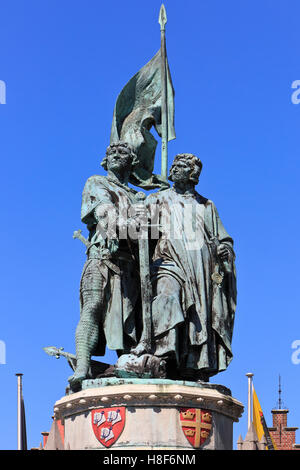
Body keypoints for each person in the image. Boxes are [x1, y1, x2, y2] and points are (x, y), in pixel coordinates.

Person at [146, 153, 237, 381]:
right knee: (167, 296)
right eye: (174, 165)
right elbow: (136, 231)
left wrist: (225, 251)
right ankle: (164, 356)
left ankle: (193, 364)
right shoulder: (158, 199)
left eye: (181, 166)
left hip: (200, 267)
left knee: (199, 315)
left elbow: (223, 238)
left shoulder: (206, 205)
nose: (175, 168)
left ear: (192, 174)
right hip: (167, 261)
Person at [69, 142, 142, 388]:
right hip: (101, 256)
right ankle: (82, 367)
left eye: (122, 153)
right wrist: (120, 226)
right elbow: (103, 209)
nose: (116, 156)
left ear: (132, 162)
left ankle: (127, 366)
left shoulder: (136, 196)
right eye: (111, 153)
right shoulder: (97, 182)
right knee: (93, 307)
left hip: (130, 265)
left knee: (129, 321)